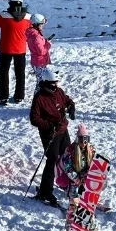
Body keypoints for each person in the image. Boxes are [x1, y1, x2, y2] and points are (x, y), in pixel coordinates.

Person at [29, 69, 75, 207]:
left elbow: (67, 100)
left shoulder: (59, 91)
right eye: (53, 83)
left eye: (56, 82)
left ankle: (68, 184)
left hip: (63, 130)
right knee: (53, 160)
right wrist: (49, 125)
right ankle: (45, 191)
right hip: (50, 134)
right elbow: (34, 119)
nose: (56, 85)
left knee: (67, 157)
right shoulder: (40, 98)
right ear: (47, 83)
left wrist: (71, 107)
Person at [0, 0, 31, 105]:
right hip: (21, 49)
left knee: (3, 73)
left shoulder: (3, 15)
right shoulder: (27, 17)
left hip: (6, 49)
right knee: (20, 73)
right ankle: (19, 96)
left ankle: (3, 96)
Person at [55, 123, 96, 201]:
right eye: (81, 139)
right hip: (72, 177)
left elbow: (95, 165)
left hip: (83, 175)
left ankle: (88, 194)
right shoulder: (70, 150)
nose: (84, 143)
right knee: (74, 193)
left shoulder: (91, 149)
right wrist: (77, 179)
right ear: (77, 139)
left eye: (86, 139)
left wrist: (86, 176)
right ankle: (70, 192)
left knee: (98, 183)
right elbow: (67, 168)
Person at [26, 14, 52, 84]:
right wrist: (48, 44)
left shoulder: (34, 34)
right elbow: (41, 51)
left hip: (38, 61)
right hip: (39, 62)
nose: (42, 26)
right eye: (42, 24)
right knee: (41, 83)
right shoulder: (36, 36)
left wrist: (45, 42)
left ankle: (39, 94)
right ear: (37, 24)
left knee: (41, 81)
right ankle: (38, 95)